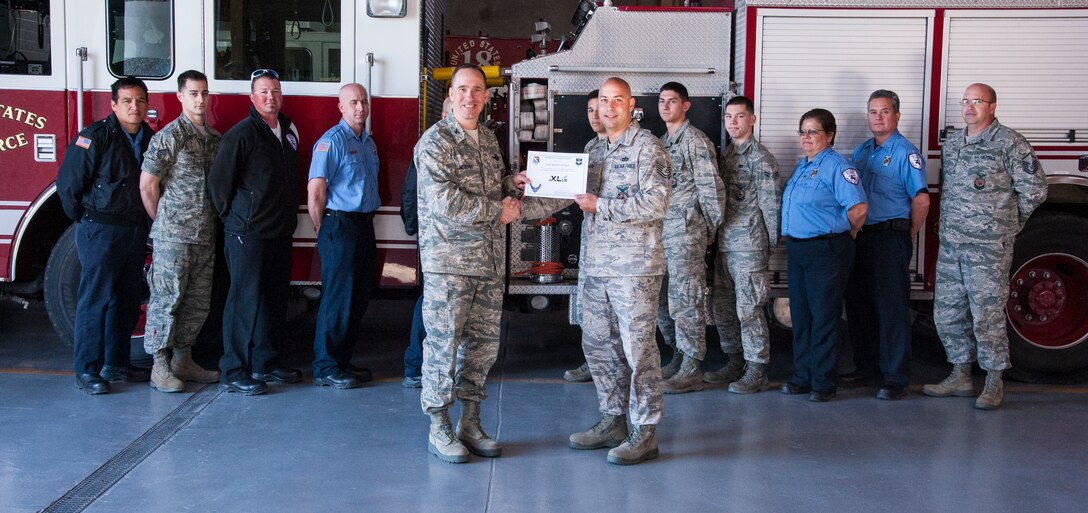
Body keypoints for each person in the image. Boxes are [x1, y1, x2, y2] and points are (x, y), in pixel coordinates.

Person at [415, 64, 521, 463]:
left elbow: (494, 187)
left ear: (486, 96)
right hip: (451, 264)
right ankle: (438, 424)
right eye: (463, 89)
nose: (470, 97)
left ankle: (470, 421)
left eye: (477, 90)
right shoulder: (435, 142)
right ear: (451, 94)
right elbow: (445, 203)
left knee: (481, 348)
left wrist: (515, 184)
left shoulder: (489, 140)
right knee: (443, 345)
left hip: (487, 263)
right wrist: (498, 211)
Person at [923, 83, 1047, 410]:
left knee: (986, 314)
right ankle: (960, 374)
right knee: (948, 312)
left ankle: (993, 381)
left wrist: (1006, 226)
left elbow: (1035, 190)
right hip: (952, 246)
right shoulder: (954, 144)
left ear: (992, 106)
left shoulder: (1009, 143)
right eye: (966, 101)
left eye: (977, 101)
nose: (969, 107)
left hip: (989, 248)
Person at [567, 77, 671, 465]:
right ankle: (612, 418)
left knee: (638, 349)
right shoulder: (593, 149)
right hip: (596, 266)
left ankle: (645, 431)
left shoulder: (648, 148)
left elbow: (657, 203)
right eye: (603, 101)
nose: (608, 108)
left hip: (634, 269)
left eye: (617, 100)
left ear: (631, 106)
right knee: (598, 345)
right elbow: (574, 194)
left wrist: (603, 205)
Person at [207, 69, 302, 396]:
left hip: (279, 232)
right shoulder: (241, 135)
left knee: (274, 301)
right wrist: (236, 220)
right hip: (247, 233)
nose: (270, 97)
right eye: (263, 92)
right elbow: (219, 185)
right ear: (252, 97)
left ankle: (266, 362)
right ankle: (233, 369)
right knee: (243, 301)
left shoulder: (288, 130)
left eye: (275, 91)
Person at [57, 76, 154, 394]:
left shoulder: (150, 138)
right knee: (94, 300)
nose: (134, 106)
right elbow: (69, 185)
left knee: (126, 300)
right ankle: (86, 370)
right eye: (127, 100)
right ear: (114, 105)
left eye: (140, 100)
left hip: (134, 229)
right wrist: (87, 219)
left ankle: (116, 363)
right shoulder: (94, 137)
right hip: (101, 230)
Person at [139, 70, 223, 393]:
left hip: (205, 237)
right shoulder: (169, 137)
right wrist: (163, 223)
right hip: (173, 237)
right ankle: (158, 365)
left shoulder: (213, 140)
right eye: (193, 94)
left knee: (197, 302)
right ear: (180, 97)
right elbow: (148, 185)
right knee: (166, 299)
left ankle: (183, 359)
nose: (200, 99)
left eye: (204, 93)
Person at [844, 90, 930, 400]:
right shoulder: (862, 151)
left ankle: (895, 377)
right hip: (861, 236)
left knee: (891, 309)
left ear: (896, 115)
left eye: (884, 111)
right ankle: (866, 368)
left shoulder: (907, 152)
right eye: (872, 112)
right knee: (859, 305)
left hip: (889, 236)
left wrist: (908, 234)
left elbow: (921, 199)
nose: (878, 117)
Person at [780, 108, 867, 402]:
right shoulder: (803, 166)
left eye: (813, 131)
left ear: (829, 136)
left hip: (826, 250)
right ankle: (802, 376)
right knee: (801, 317)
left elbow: (858, 209)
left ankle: (823, 382)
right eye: (803, 131)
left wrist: (844, 234)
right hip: (799, 249)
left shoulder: (838, 166)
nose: (806, 137)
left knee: (824, 317)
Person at [307, 83, 380, 390]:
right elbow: (316, 192)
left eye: (363, 101)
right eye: (353, 102)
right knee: (338, 299)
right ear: (341, 107)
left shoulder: (368, 142)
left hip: (364, 226)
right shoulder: (331, 142)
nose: (359, 107)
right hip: (340, 225)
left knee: (358, 297)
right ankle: (325, 366)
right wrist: (324, 229)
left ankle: (342, 360)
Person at [654, 81, 725, 394]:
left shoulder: (696, 141)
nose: (666, 106)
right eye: (662, 101)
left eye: (672, 101)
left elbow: (711, 187)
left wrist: (708, 228)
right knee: (663, 300)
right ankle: (678, 355)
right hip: (660, 234)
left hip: (686, 232)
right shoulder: (660, 142)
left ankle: (692, 367)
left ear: (686, 105)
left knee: (687, 300)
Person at [708, 95, 780, 394]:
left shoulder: (760, 159)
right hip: (726, 244)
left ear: (752, 119)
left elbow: (771, 205)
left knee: (749, 310)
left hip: (749, 247)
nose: (733, 122)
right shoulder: (725, 156)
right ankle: (735, 361)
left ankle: (757, 369)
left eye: (739, 117)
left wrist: (768, 245)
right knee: (723, 308)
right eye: (728, 117)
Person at [402, 97, 454, 389]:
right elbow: (411, 190)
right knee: (430, 304)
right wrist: (417, 230)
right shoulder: (430, 144)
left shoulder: (471, 142)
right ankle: (414, 366)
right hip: (435, 240)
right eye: (449, 112)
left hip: (457, 243)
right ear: (443, 114)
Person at [562, 89, 607, 384]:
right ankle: (593, 362)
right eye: (589, 110)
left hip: (619, 245)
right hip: (591, 238)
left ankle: (611, 368)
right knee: (589, 306)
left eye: (597, 108)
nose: (593, 115)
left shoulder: (634, 147)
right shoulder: (591, 147)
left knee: (615, 311)